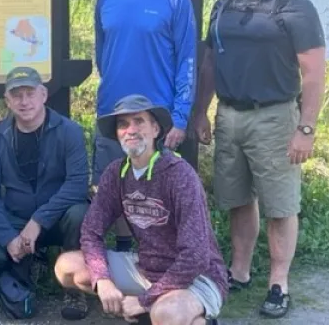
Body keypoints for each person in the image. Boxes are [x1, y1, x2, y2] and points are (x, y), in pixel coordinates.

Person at [193, 0, 326, 319]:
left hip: (275, 117)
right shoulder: (224, 5)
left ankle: (279, 283)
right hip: (229, 116)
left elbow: (315, 72)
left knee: (280, 205)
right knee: (236, 198)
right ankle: (240, 270)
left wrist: (305, 128)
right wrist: (201, 110)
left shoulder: (295, 6)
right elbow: (211, 61)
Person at [54, 94, 228, 325]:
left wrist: (144, 300)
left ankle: (178, 315)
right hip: (146, 269)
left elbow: (195, 256)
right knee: (66, 266)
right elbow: (91, 231)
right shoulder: (116, 173)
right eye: (123, 124)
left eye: (139, 121)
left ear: (156, 129)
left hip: (198, 278)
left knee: (166, 314)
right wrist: (102, 280)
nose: (131, 130)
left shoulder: (179, 174)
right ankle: (152, 312)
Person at [92, 0, 198, 255]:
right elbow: (102, 53)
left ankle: (162, 255)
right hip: (113, 111)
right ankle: (124, 248)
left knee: (158, 190)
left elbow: (187, 61)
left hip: (157, 115)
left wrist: (180, 117)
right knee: (115, 184)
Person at [0, 66, 90, 320]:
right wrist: (7, 237)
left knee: (79, 213)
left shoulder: (69, 131)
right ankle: (22, 263)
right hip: (16, 218)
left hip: (56, 218)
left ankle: (73, 285)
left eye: (30, 93)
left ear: (43, 94)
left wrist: (39, 220)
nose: (24, 101)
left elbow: (77, 184)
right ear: (8, 101)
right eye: (17, 95)